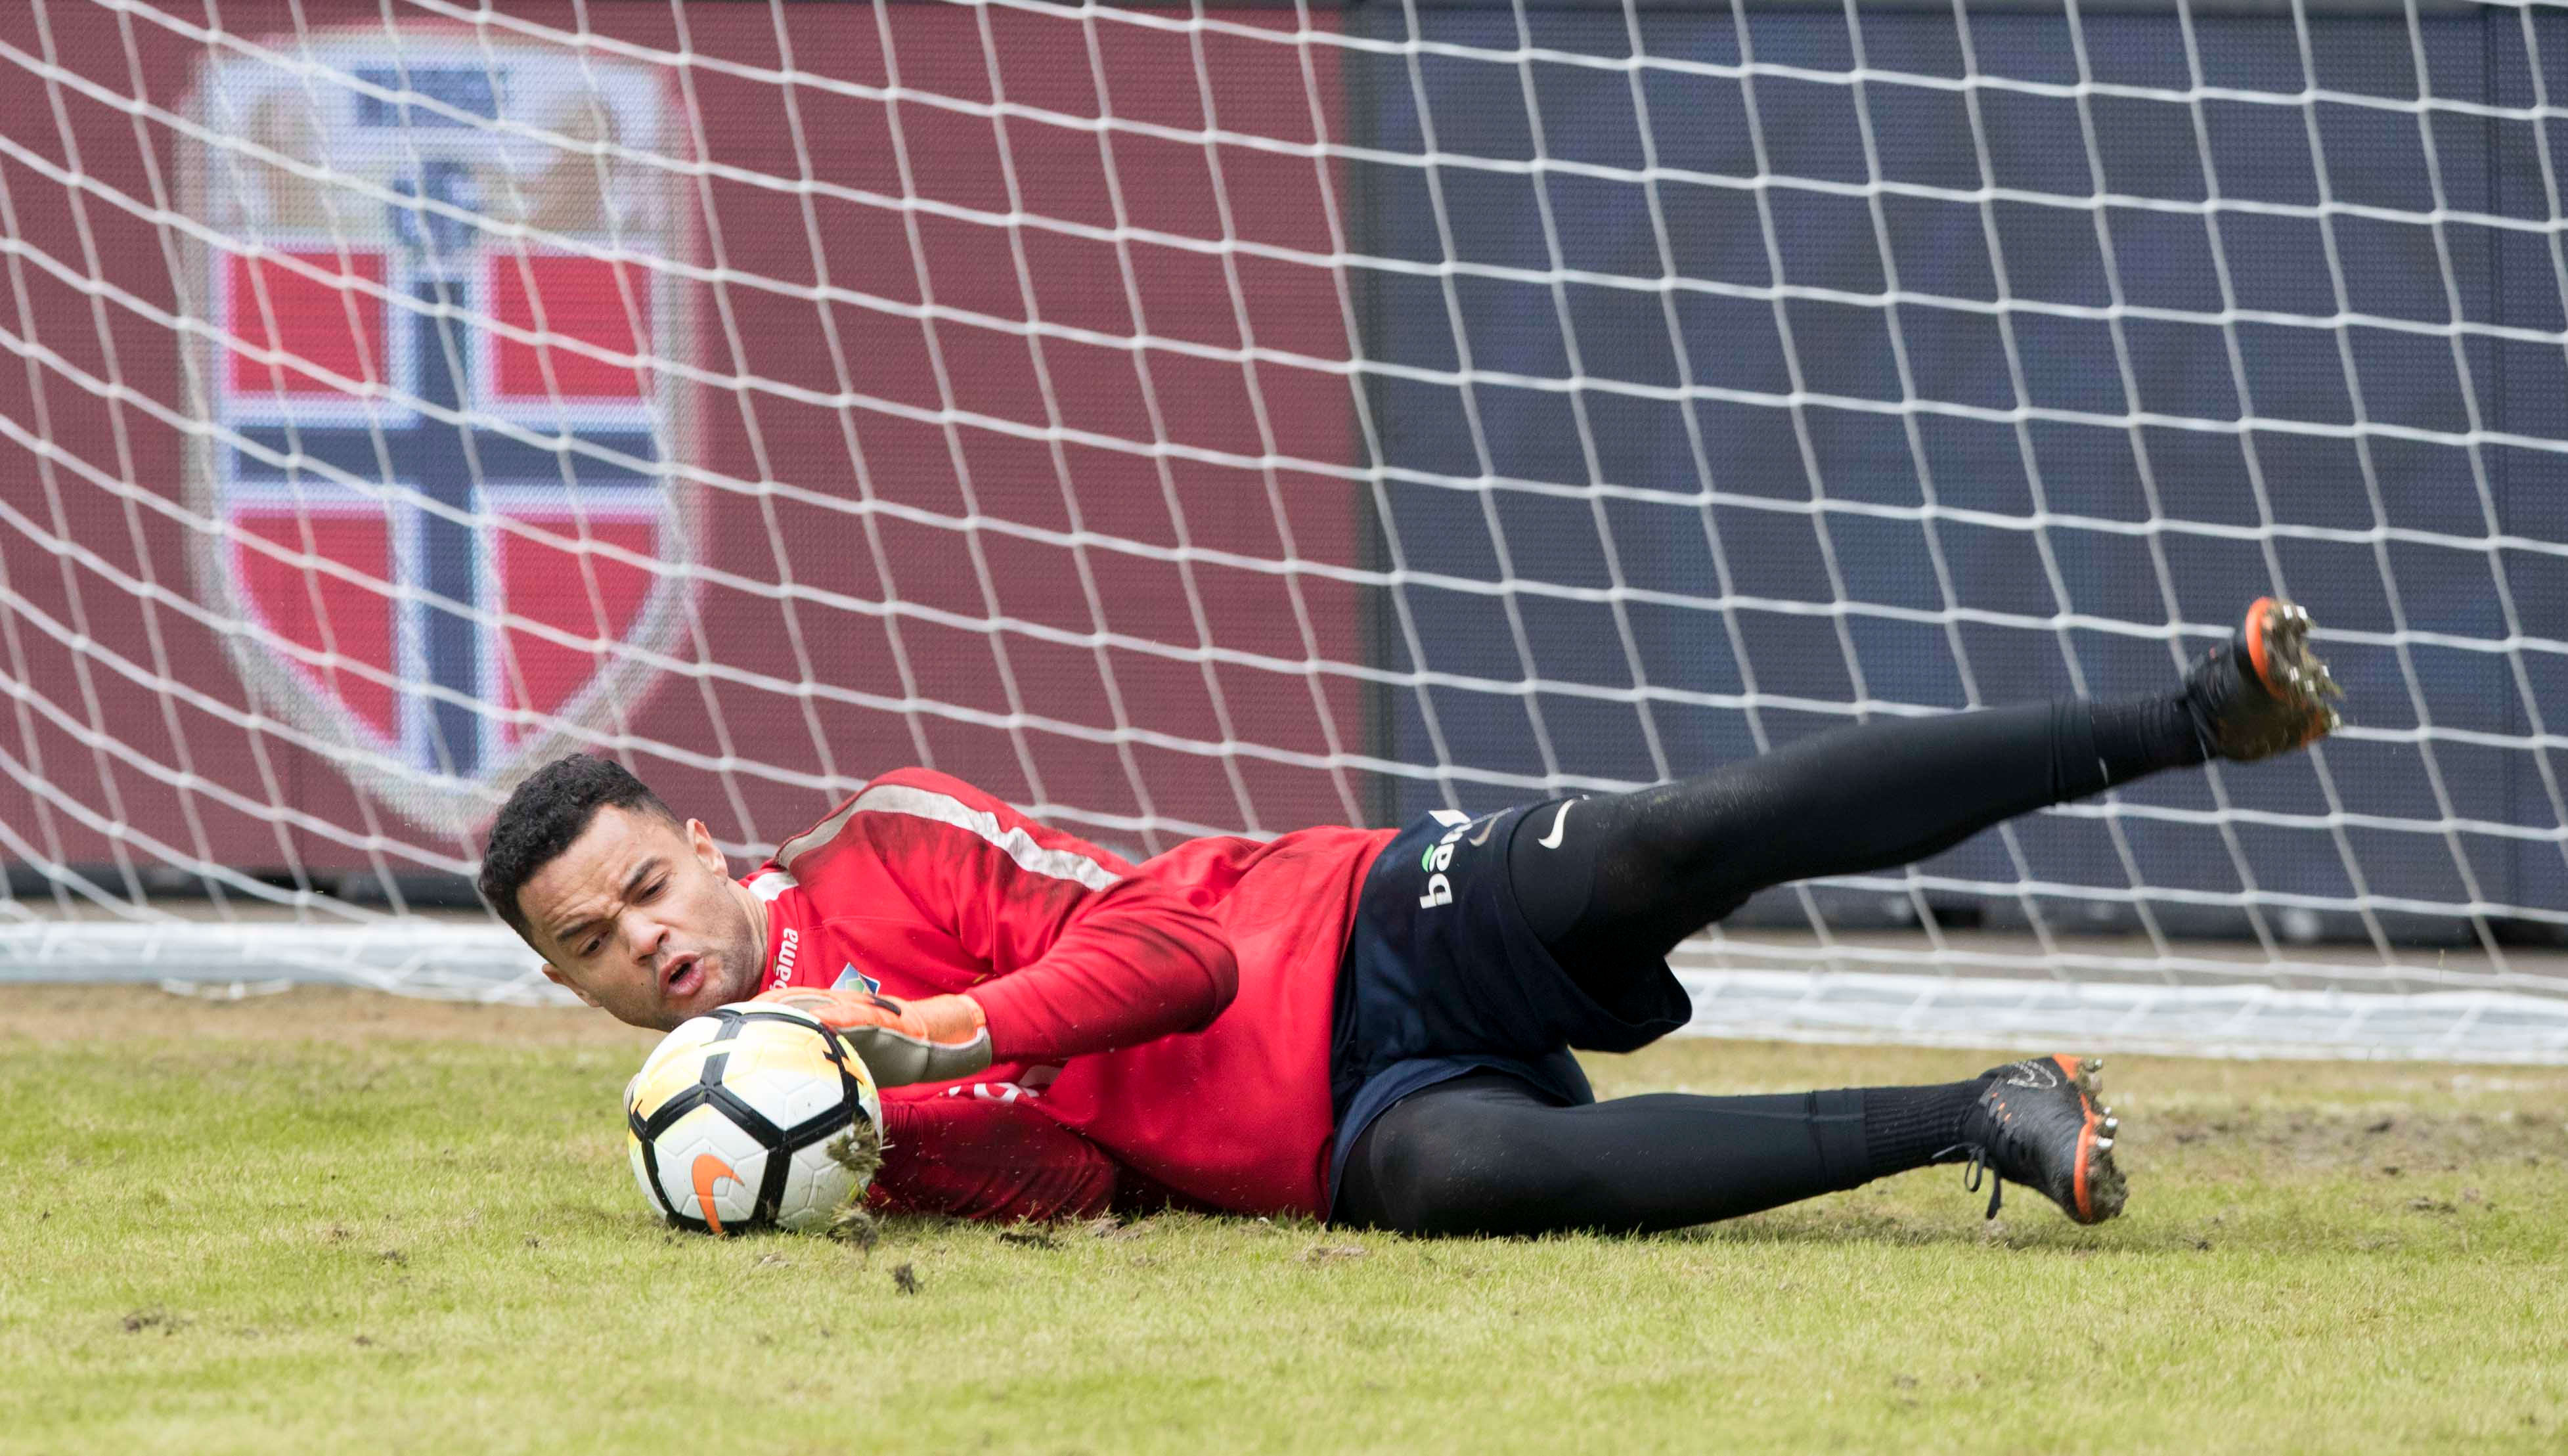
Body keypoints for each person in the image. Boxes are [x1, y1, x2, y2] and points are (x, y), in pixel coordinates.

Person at [477, 598, 2341, 1235]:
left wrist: (932, 1036)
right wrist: (877, 1141)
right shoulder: (751, 1128)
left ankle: (2192, 715)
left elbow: (1178, 959)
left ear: (704, 845)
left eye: (645, 886)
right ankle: (1982, 1111)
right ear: (570, 987)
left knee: (1674, 842)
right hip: (1336, 1131)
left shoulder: (888, 847)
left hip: (1352, 928)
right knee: (1476, 1183)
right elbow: (1100, 1189)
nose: (644, 940)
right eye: (592, 944)